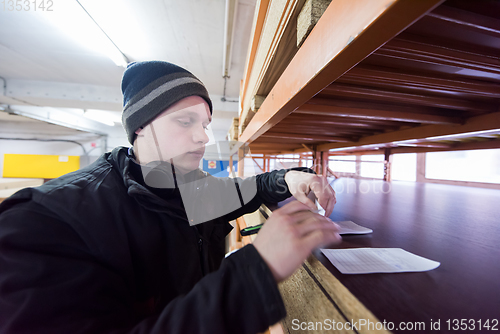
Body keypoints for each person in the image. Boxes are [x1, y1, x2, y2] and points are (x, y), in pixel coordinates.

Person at [0, 61, 341, 334]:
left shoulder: (189, 187)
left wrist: (290, 177)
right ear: (140, 126)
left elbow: (250, 189)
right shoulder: (44, 224)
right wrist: (256, 271)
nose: (202, 136)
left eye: (205, 123)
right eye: (185, 121)